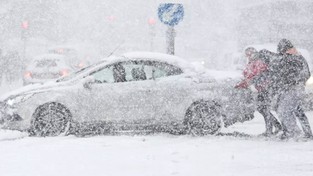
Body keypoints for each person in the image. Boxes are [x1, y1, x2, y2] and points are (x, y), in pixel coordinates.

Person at [235, 47, 282, 136]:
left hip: (264, 89)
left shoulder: (259, 62)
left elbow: (262, 75)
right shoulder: (251, 62)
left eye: (249, 54)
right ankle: (276, 127)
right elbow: (248, 76)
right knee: (262, 109)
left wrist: (253, 83)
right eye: (247, 55)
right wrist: (241, 84)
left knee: (264, 109)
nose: (248, 56)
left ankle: (270, 130)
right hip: (259, 89)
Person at [275, 39, 312, 139]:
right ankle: (306, 133)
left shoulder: (293, 58)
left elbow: (302, 74)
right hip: (293, 88)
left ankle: (293, 132)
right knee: (298, 111)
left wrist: (291, 82)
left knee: (285, 111)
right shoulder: (296, 57)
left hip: (292, 89)